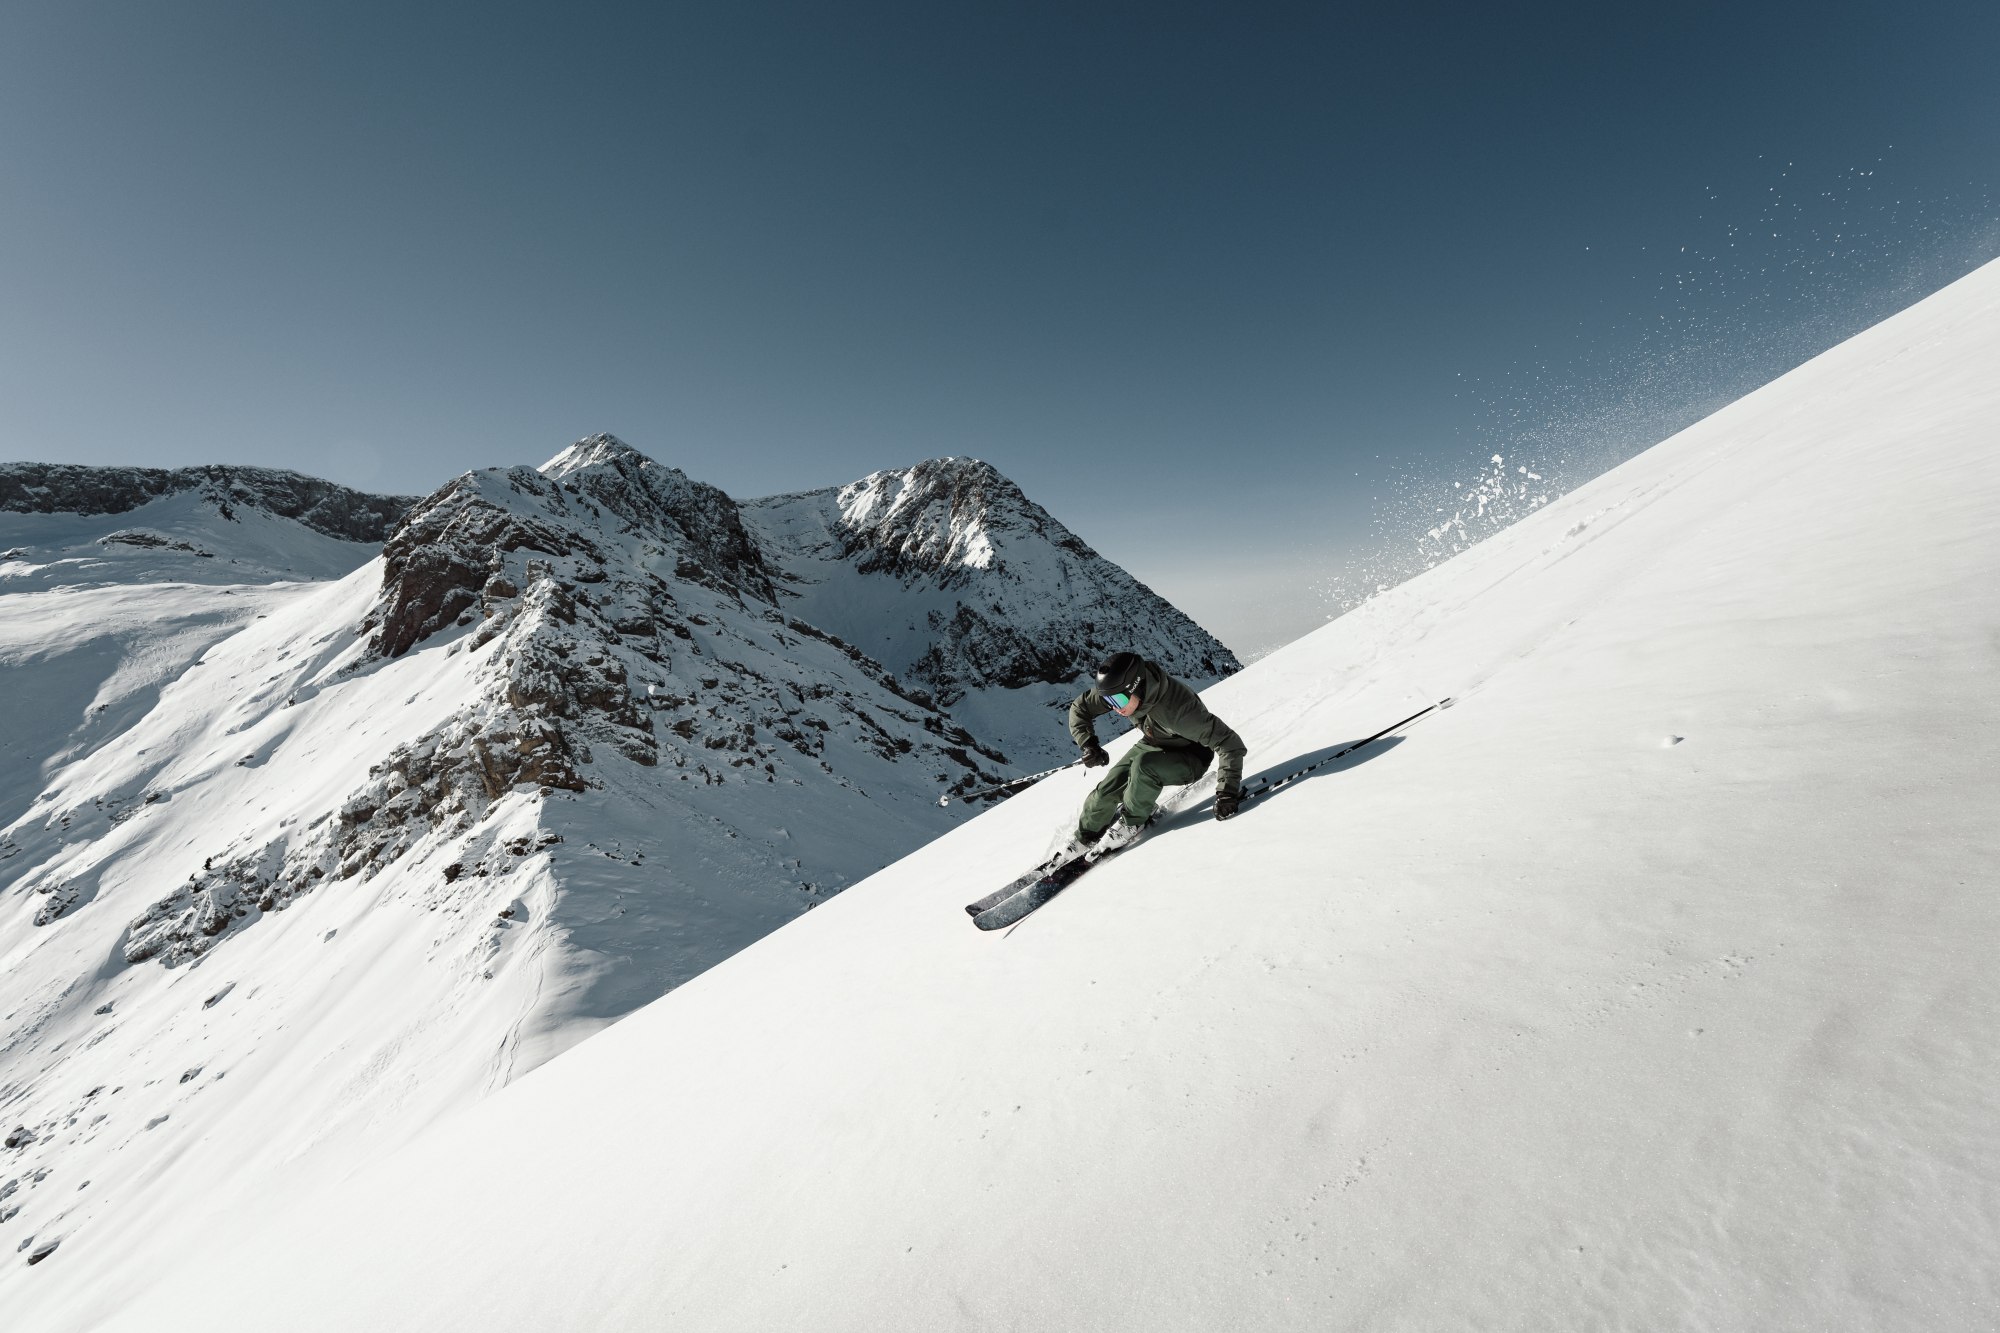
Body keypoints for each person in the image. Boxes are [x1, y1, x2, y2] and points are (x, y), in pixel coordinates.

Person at [1062, 650, 1246, 858]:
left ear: (1137, 687)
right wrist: (1088, 743)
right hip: (1154, 741)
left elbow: (1229, 743)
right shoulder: (1118, 690)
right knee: (1107, 790)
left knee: (1143, 767)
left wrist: (1228, 791)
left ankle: (1132, 823)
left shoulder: (1179, 711)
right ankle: (1085, 837)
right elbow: (1081, 707)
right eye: (1110, 703)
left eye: (1119, 702)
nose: (1115, 709)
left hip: (1192, 756)